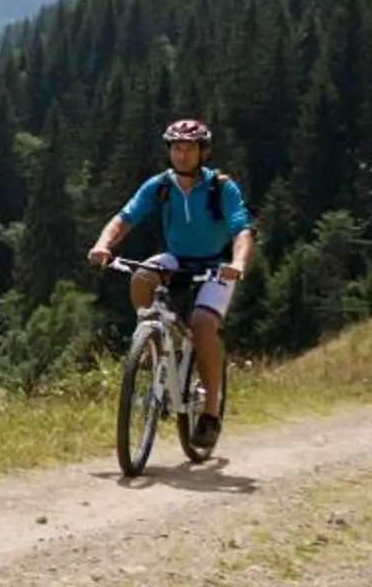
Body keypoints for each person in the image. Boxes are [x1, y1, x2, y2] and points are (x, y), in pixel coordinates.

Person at [86, 117, 254, 452]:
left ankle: (210, 414)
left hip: (216, 266)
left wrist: (237, 264)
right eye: (176, 148)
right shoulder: (160, 185)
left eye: (189, 148)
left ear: (203, 152)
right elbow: (124, 218)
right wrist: (103, 245)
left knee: (203, 325)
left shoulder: (221, 187)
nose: (182, 154)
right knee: (141, 276)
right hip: (176, 258)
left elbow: (242, 230)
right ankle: (149, 342)